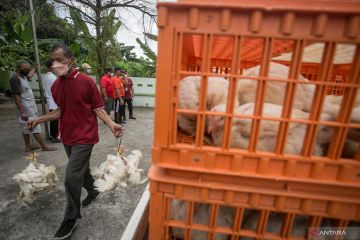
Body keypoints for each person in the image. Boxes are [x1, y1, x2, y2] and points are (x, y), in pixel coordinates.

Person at [26, 43, 123, 240]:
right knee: (81, 170)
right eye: (53, 60)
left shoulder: (86, 82)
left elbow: (97, 108)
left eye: (59, 60)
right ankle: (93, 191)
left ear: (71, 60)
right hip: (67, 137)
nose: (55, 64)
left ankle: (71, 218)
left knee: (71, 177)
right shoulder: (55, 85)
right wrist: (38, 119)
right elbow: (60, 111)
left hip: (85, 137)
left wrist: (112, 124)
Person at [9, 60, 56, 152]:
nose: (27, 69)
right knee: (34, 125)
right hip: (25, 108)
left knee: (25, 127)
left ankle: (28, 146)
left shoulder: (22, 76)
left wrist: (35, 67)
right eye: (25, 68)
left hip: (29, 106)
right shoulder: (15, 78)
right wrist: (22, 111)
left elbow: (29, 75)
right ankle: (44, 146)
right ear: (18, 68)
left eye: (28, 68)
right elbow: (16, 96)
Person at [43, 59, 61, 142]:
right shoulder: (53, 78)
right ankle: (55, 137)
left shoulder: (47, 76)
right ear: (51, 67)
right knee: (55, 120)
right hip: (53, 101)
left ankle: (52, 135)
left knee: (53, 120)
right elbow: (56, 90)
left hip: (50, 100)